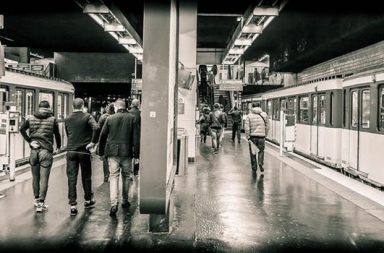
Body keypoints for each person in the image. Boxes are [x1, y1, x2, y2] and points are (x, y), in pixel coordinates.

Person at [98, 99, 140, 217]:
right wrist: (136, 156)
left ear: (116, 107)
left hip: (112, 153)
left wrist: (101, 153)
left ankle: (113, 204)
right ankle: (125, 200)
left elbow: (102, 136)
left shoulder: (110, 118)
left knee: (114, 177)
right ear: (125, 107)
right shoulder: (132, 118)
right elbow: (136, 138)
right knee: (126, 177)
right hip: (127, 153)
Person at [20, 100, 61, 213]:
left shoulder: (31, 118)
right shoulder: (53, 119)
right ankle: (41, 204)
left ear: (39, 108)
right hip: (46, 152)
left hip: (34, 151)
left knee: (35, 178)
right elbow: (57, 134)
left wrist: (30, 141)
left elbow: (21, 129)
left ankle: (36, 200)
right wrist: (58, 147)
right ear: (49, 108)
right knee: (44, 180)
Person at [65, 98, 99, 216]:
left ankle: (73, 205)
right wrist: (93, 142)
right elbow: (96, 127)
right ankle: (88, 200)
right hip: (84, 151)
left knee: (71, 178)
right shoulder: (87, 116)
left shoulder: (67, 118)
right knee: (86, 176)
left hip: (71, 151)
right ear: (83, 106)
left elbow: (68, 133)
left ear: (73, 106)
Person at [244, 103, 269, 173]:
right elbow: (267, 126)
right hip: (261, 137)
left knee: (253, 152)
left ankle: (254, 167)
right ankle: (260, 162)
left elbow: (247, 128)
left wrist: (248, 137)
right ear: (259, 106)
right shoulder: (264, 114)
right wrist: (265, 134)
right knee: (261, 151)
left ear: (252, 107)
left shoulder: (249, 116)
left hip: (253, 137)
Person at [97, 103, 115, 182]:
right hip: (113, 139)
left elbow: (98, 129)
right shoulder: (116, 117)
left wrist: (96, 141)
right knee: (113, 159)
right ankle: (112, 174)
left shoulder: (103, 117)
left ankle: (106, 175)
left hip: (104, 140)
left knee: (105, 159)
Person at [128, 99, 141, 176]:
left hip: (129, 136)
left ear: (132, 104)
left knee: (129, 154)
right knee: (136, 154)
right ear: (138, 104)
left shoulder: (128, 112)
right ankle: (136, 171)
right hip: (137, 136)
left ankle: (129, 170)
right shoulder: (140, 113)